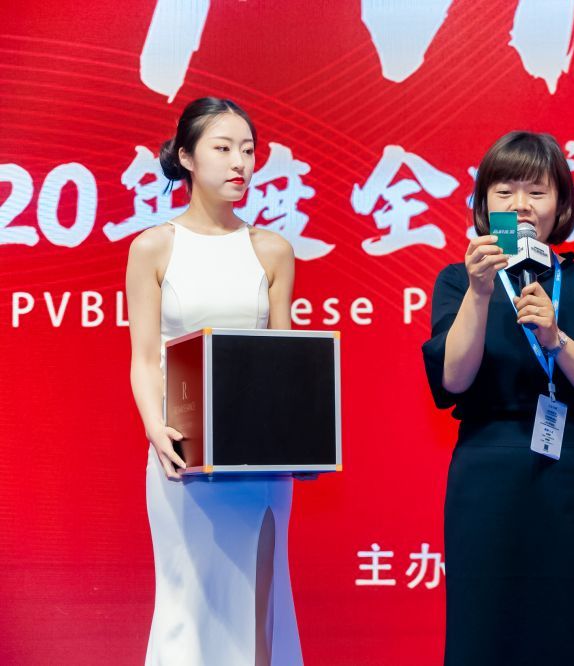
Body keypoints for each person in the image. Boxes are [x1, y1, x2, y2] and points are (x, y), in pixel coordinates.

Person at [422, 131, 574, 665]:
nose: (521, 205)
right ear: (484, 204)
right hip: (485, 472)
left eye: (537, 192)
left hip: (568, 472)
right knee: (483, 628)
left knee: (567, 627)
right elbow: (452, 382)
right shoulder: (457, 281)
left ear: (561, 203)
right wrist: (480, 292)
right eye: (505, 191)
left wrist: (556, 340)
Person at [125, 97, 302, 665]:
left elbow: (283, 361)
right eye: (223, 149)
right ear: (186, 156)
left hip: (259, 466)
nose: (239, 163)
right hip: (182, 458)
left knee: (256, 607)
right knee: (187, 604)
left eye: (248, 150)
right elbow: (143, 358)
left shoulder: (272, 251)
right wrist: (156, 430)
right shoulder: (153, 247)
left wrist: (296, 439)